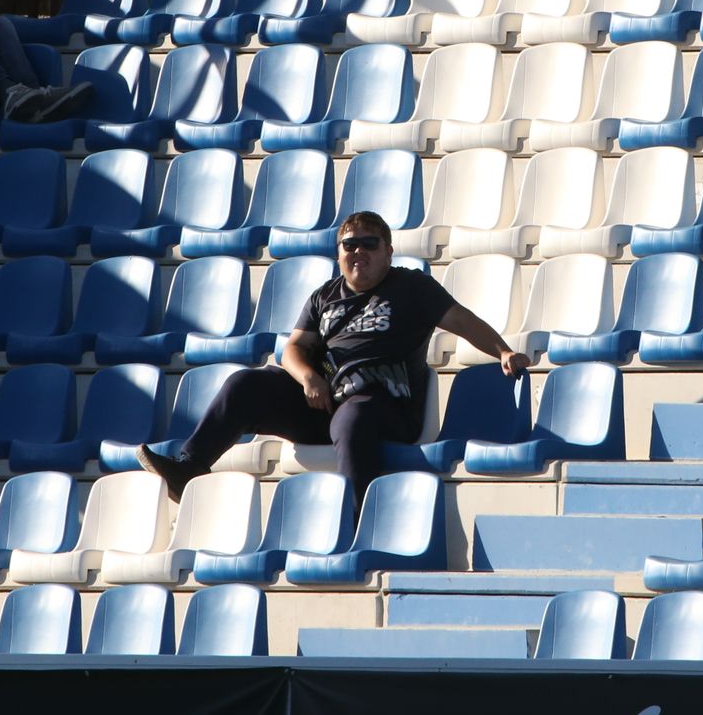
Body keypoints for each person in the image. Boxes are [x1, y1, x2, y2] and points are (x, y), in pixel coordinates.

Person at [137, 211, 528, 505]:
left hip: (384, 406)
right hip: (325, 402)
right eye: (350, 244)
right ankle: (189, 467)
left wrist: (503, 350)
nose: (359, 251)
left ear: (389, 251)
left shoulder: (412, 287)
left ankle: (359, 519)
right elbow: (292, 349)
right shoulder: (325, 295)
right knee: (246, 383)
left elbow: (462, 320)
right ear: (338, 252)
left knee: (354, 416)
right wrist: (309, 377)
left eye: (370, 244)